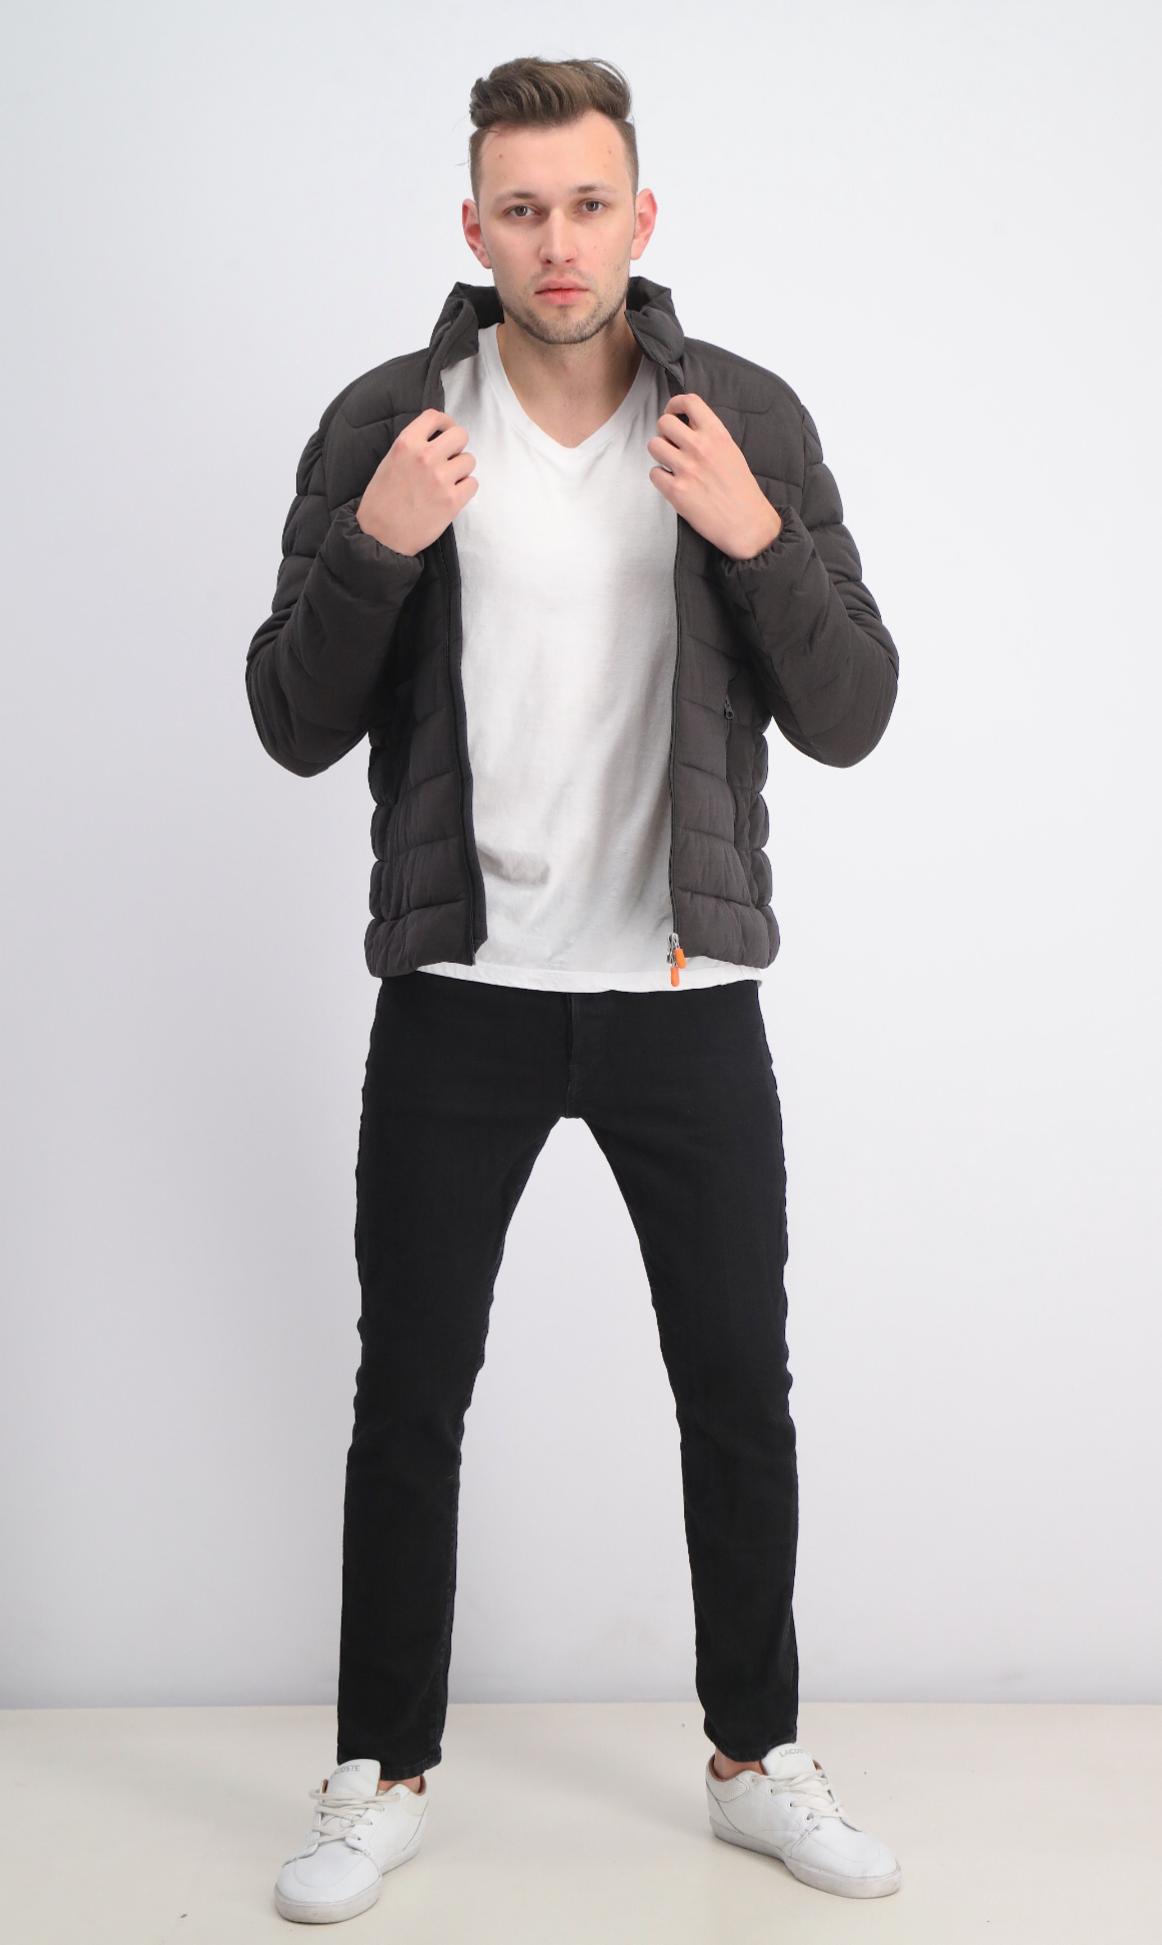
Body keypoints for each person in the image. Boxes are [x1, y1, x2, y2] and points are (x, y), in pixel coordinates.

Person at [249, 56, 903, 1927]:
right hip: (457, 988)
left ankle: (755, 1760)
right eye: (522, 208)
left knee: (737, 1388)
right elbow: (290, 717)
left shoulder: (739, 420)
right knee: (410, 1393)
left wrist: (753, 537)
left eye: (588, 203)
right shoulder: (387, 423)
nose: (558, 240)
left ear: (640, 216)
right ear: (474, 226)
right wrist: (378, 540)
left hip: (682, 991)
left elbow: (854, 710)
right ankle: (379, 1774)